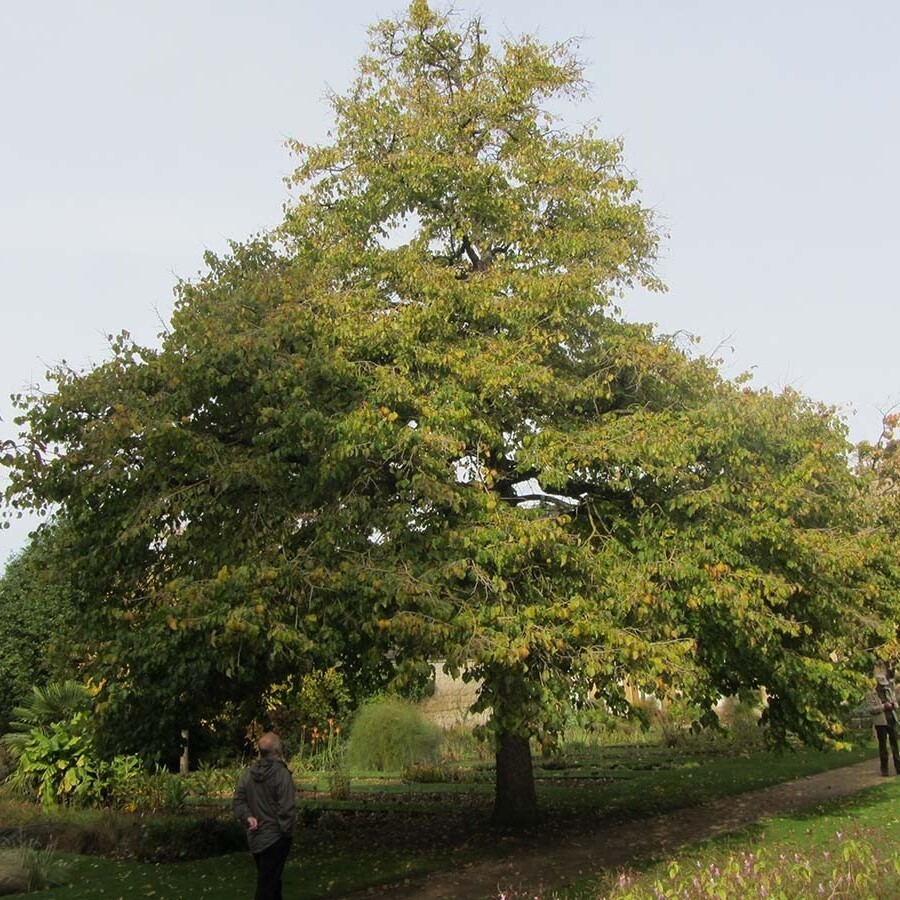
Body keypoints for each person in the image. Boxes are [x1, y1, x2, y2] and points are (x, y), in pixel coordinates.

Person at [232, 731, 296, 900]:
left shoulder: (248, 775)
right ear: (277, 751)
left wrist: (247, 816)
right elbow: (286, 809)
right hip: (276, 837)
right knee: (266, 887)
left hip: (256, 838)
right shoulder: (281, 775)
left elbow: (238, 801)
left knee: (273, 882)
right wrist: (286, 833)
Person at [866, 671, 900, 777]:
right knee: (883, 746)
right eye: (881, 685)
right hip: (881, 722)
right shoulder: (871, 694)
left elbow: (896, 703)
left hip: (891, 720)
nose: (883, 687)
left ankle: (898, 767)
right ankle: (884, 769)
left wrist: (893, 705)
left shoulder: (888, 691)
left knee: (895, 744)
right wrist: (883, 706)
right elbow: (871, 709)